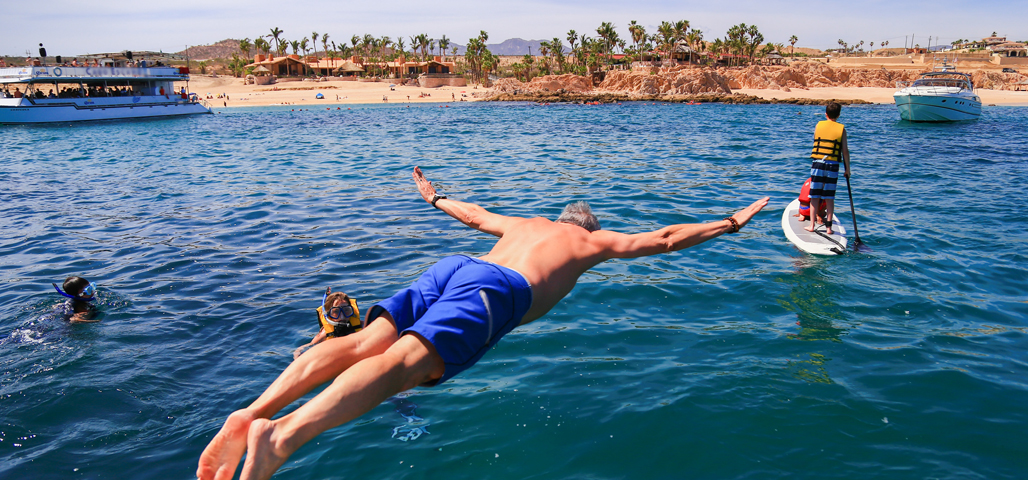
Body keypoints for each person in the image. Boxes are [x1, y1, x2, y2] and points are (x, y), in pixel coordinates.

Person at [197, 167, 769, 480]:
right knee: (401, 367)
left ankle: (251, 413)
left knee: (367, 342)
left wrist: (434, 196)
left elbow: (471, 214)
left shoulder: (524, 222)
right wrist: (731, 222)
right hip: (497, 290)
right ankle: (282, 436)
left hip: (458, 265)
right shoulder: (592, 241)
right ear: (588, 225)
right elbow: (665, 239)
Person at [805, 102, 851, 235]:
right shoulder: (842, 130)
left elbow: (815, 139)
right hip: (833, 165)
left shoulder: (818, 125)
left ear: (826, 114)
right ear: (839, 115)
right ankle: (829, 228)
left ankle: (812, 225)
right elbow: (845, 151)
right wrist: (847, 169)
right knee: (829, 197)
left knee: (814, 196)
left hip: (818, 163)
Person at [292, 287, 362, 360]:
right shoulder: (325, 334)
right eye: (336, 312)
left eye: (346, 310)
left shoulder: (361, 326)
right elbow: (301, 349)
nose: (342, 316)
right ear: (328, 314)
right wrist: (297, 359)